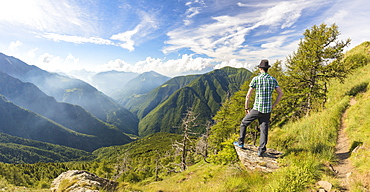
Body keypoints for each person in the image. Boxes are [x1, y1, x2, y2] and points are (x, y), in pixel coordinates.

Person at [233, 59, 283, 157]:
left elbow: (248, 95)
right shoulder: (273, 80)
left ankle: (241, 143)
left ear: (260, 68)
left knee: (244, 123)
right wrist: (273, 105)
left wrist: (246, 108)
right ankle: (261, 150)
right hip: (267, 110)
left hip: (257, 109)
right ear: (267, 69)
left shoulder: (256, 79)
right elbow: (280, 93)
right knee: (264, 129)